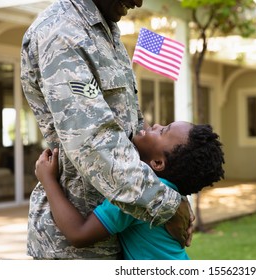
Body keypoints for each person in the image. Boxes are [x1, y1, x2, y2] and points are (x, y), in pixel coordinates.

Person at [20, 0, 193, 259]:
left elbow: (132, 126)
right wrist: (167, 203)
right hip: (74, 250)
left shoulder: (105, 29)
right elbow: (93, 142)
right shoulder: (61, 32)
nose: (139, 2)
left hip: (119, 235)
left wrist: (174, 190)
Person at [35, 121, 225, 259]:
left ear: (158, 163)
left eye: (162, 131)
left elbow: (79, 234)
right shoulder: (171, 191)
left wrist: (48, 180)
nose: (156, 125)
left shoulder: (139, 193)